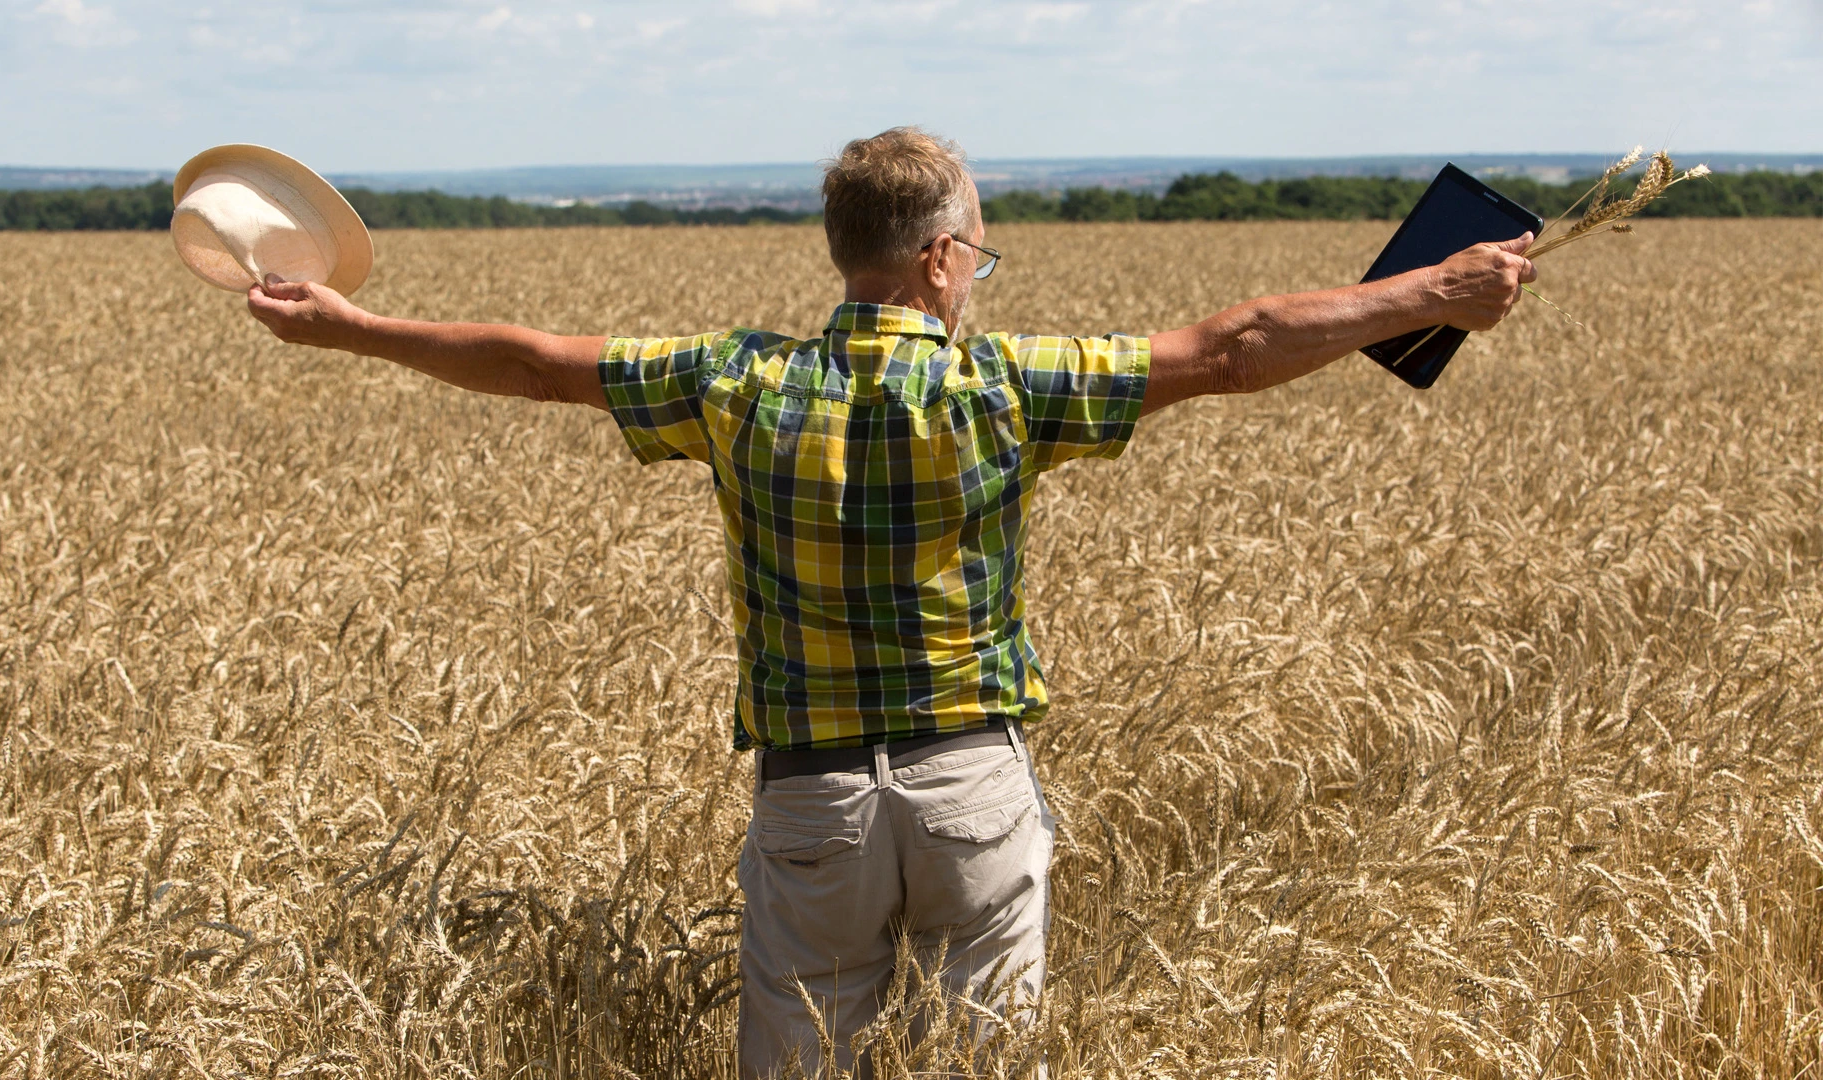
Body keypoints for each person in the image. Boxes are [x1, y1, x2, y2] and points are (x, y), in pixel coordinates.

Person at [245, 127, 1536, 1077]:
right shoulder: (1001, 390)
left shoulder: (733, 384)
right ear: (935, 260)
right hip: (974, 795)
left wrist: (349, 326)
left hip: (812, 810)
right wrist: (1434, 293)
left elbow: (532, 365)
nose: (980, 276)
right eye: (978, 255)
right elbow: (1237, 345)